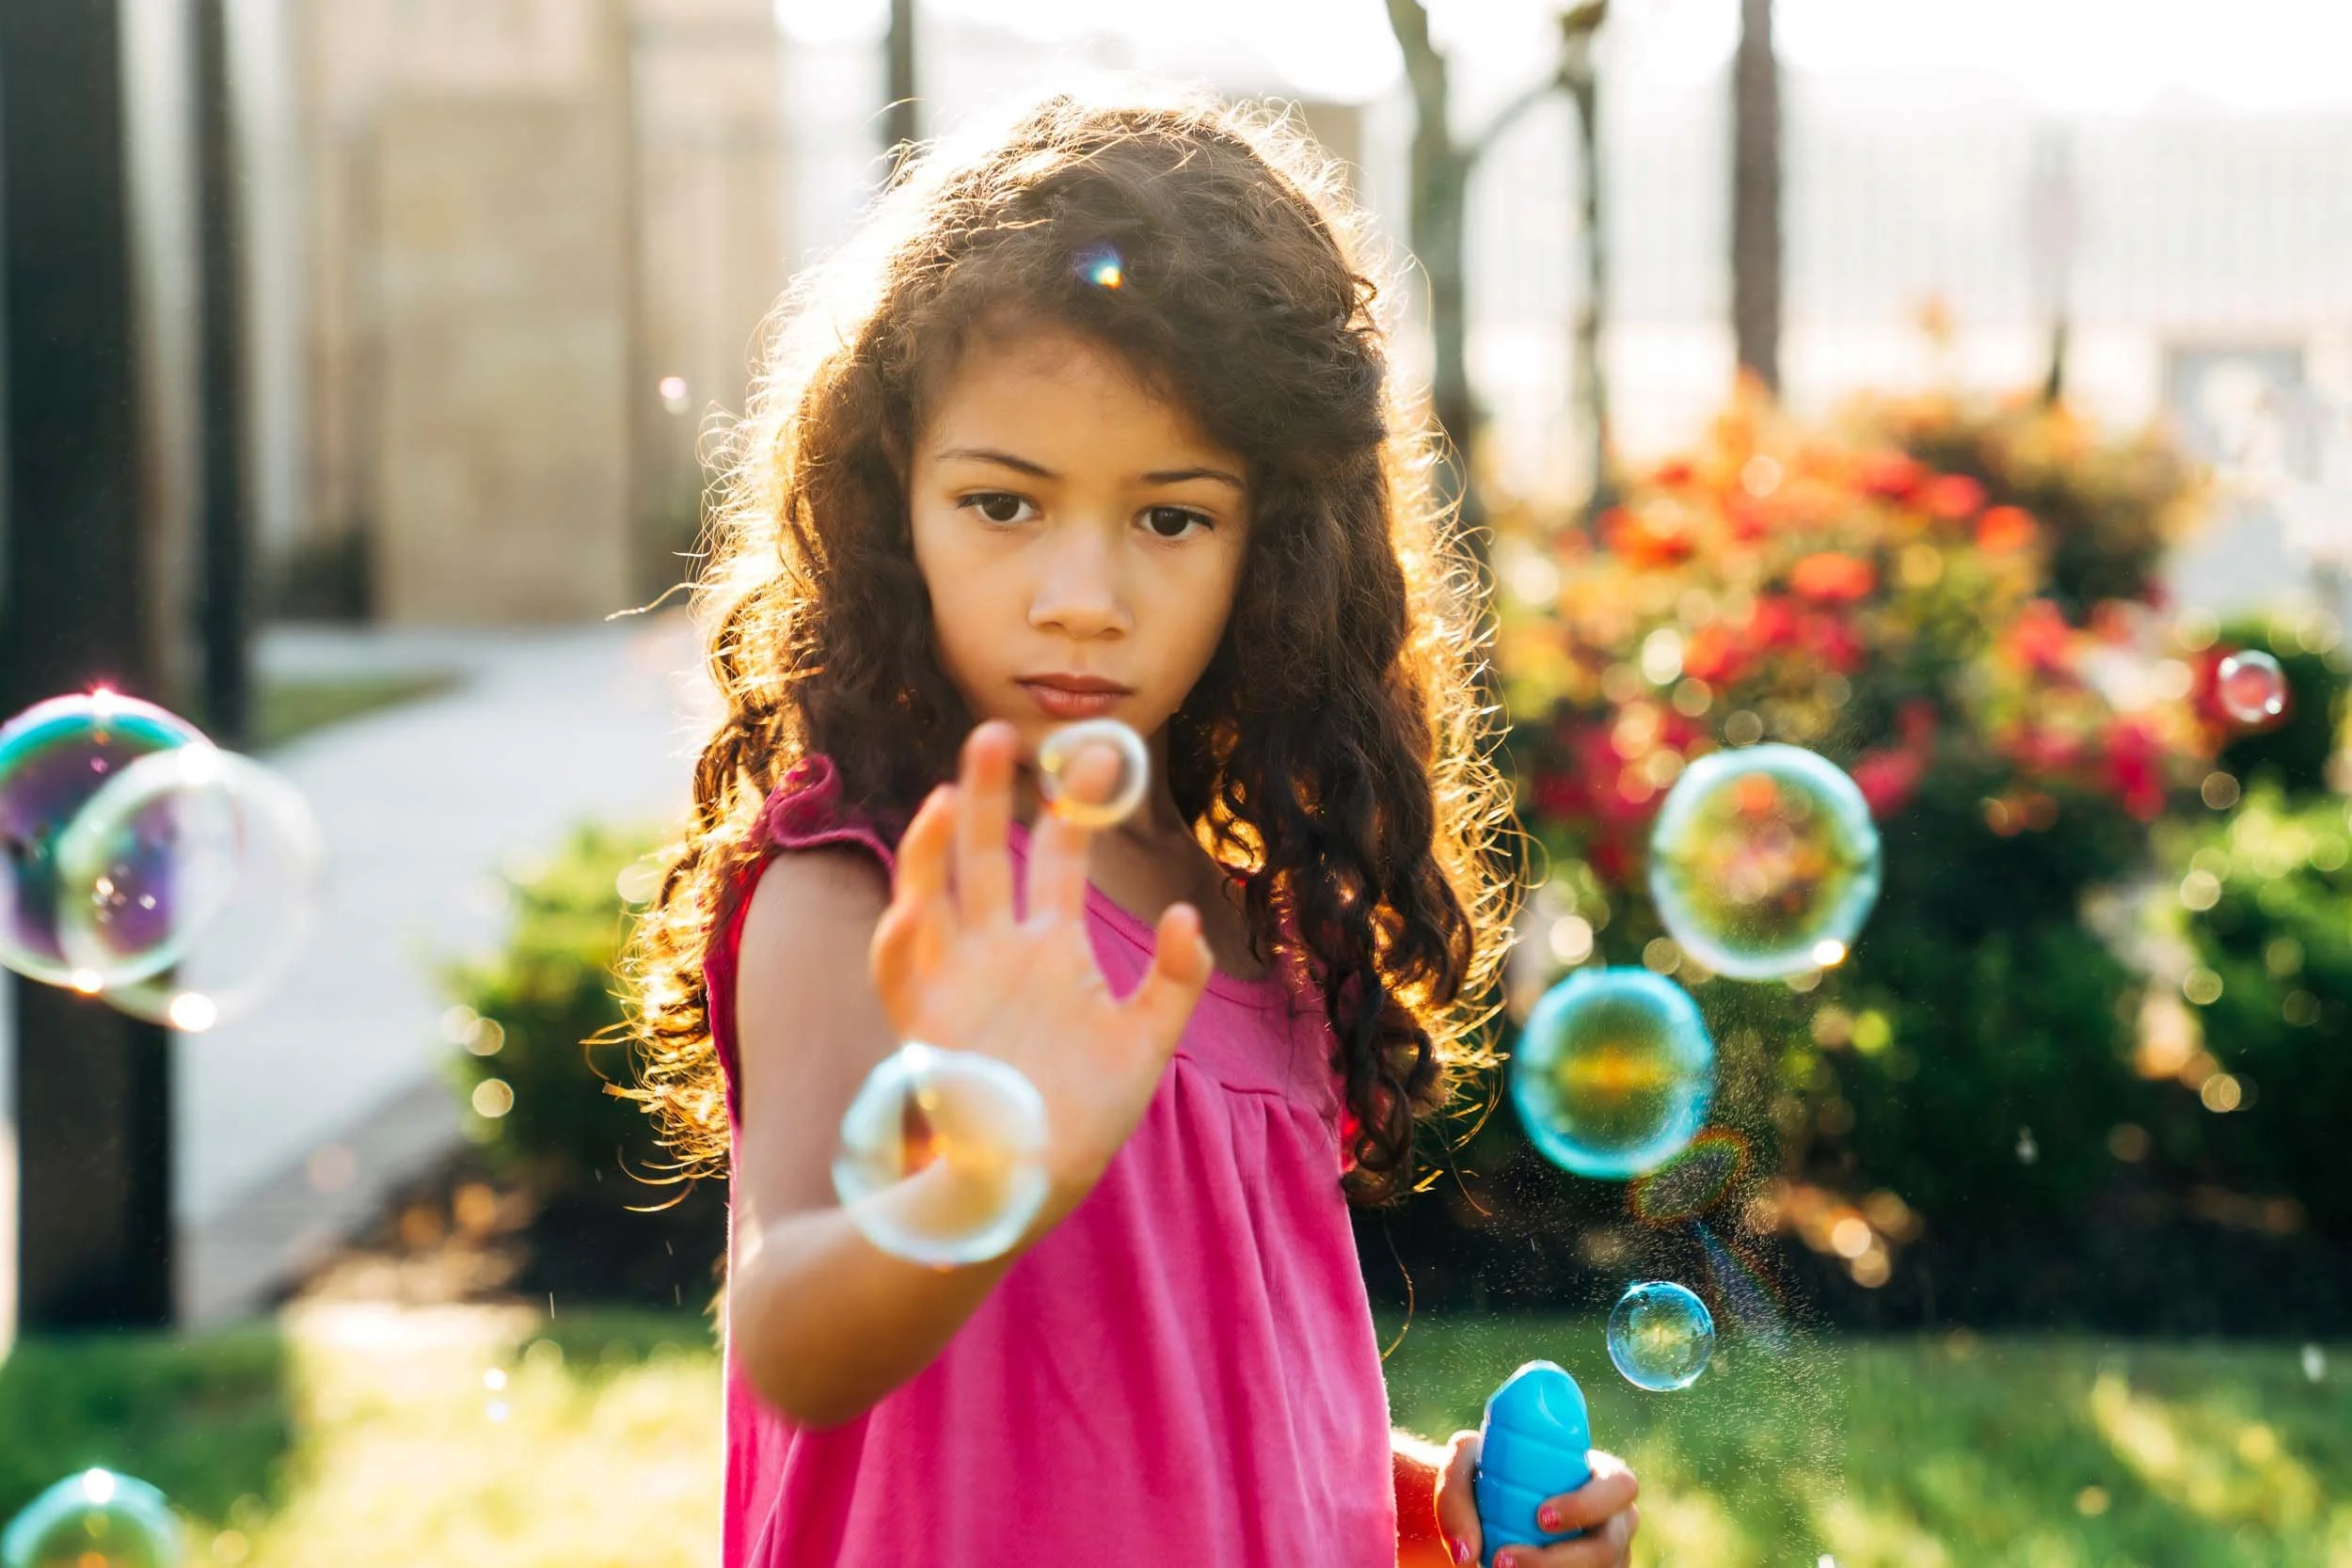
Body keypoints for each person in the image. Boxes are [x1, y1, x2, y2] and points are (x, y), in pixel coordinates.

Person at [624, 86, 1643, 1567]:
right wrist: (993, 1173)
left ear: (1276, 547)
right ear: (889, 502)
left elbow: (1203, 1420)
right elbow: (791, 1335)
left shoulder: (1256, 923)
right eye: (1004, 504)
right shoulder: (875, 891)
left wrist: (1421, 1505)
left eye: (1170, 517)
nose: (1082, 597)